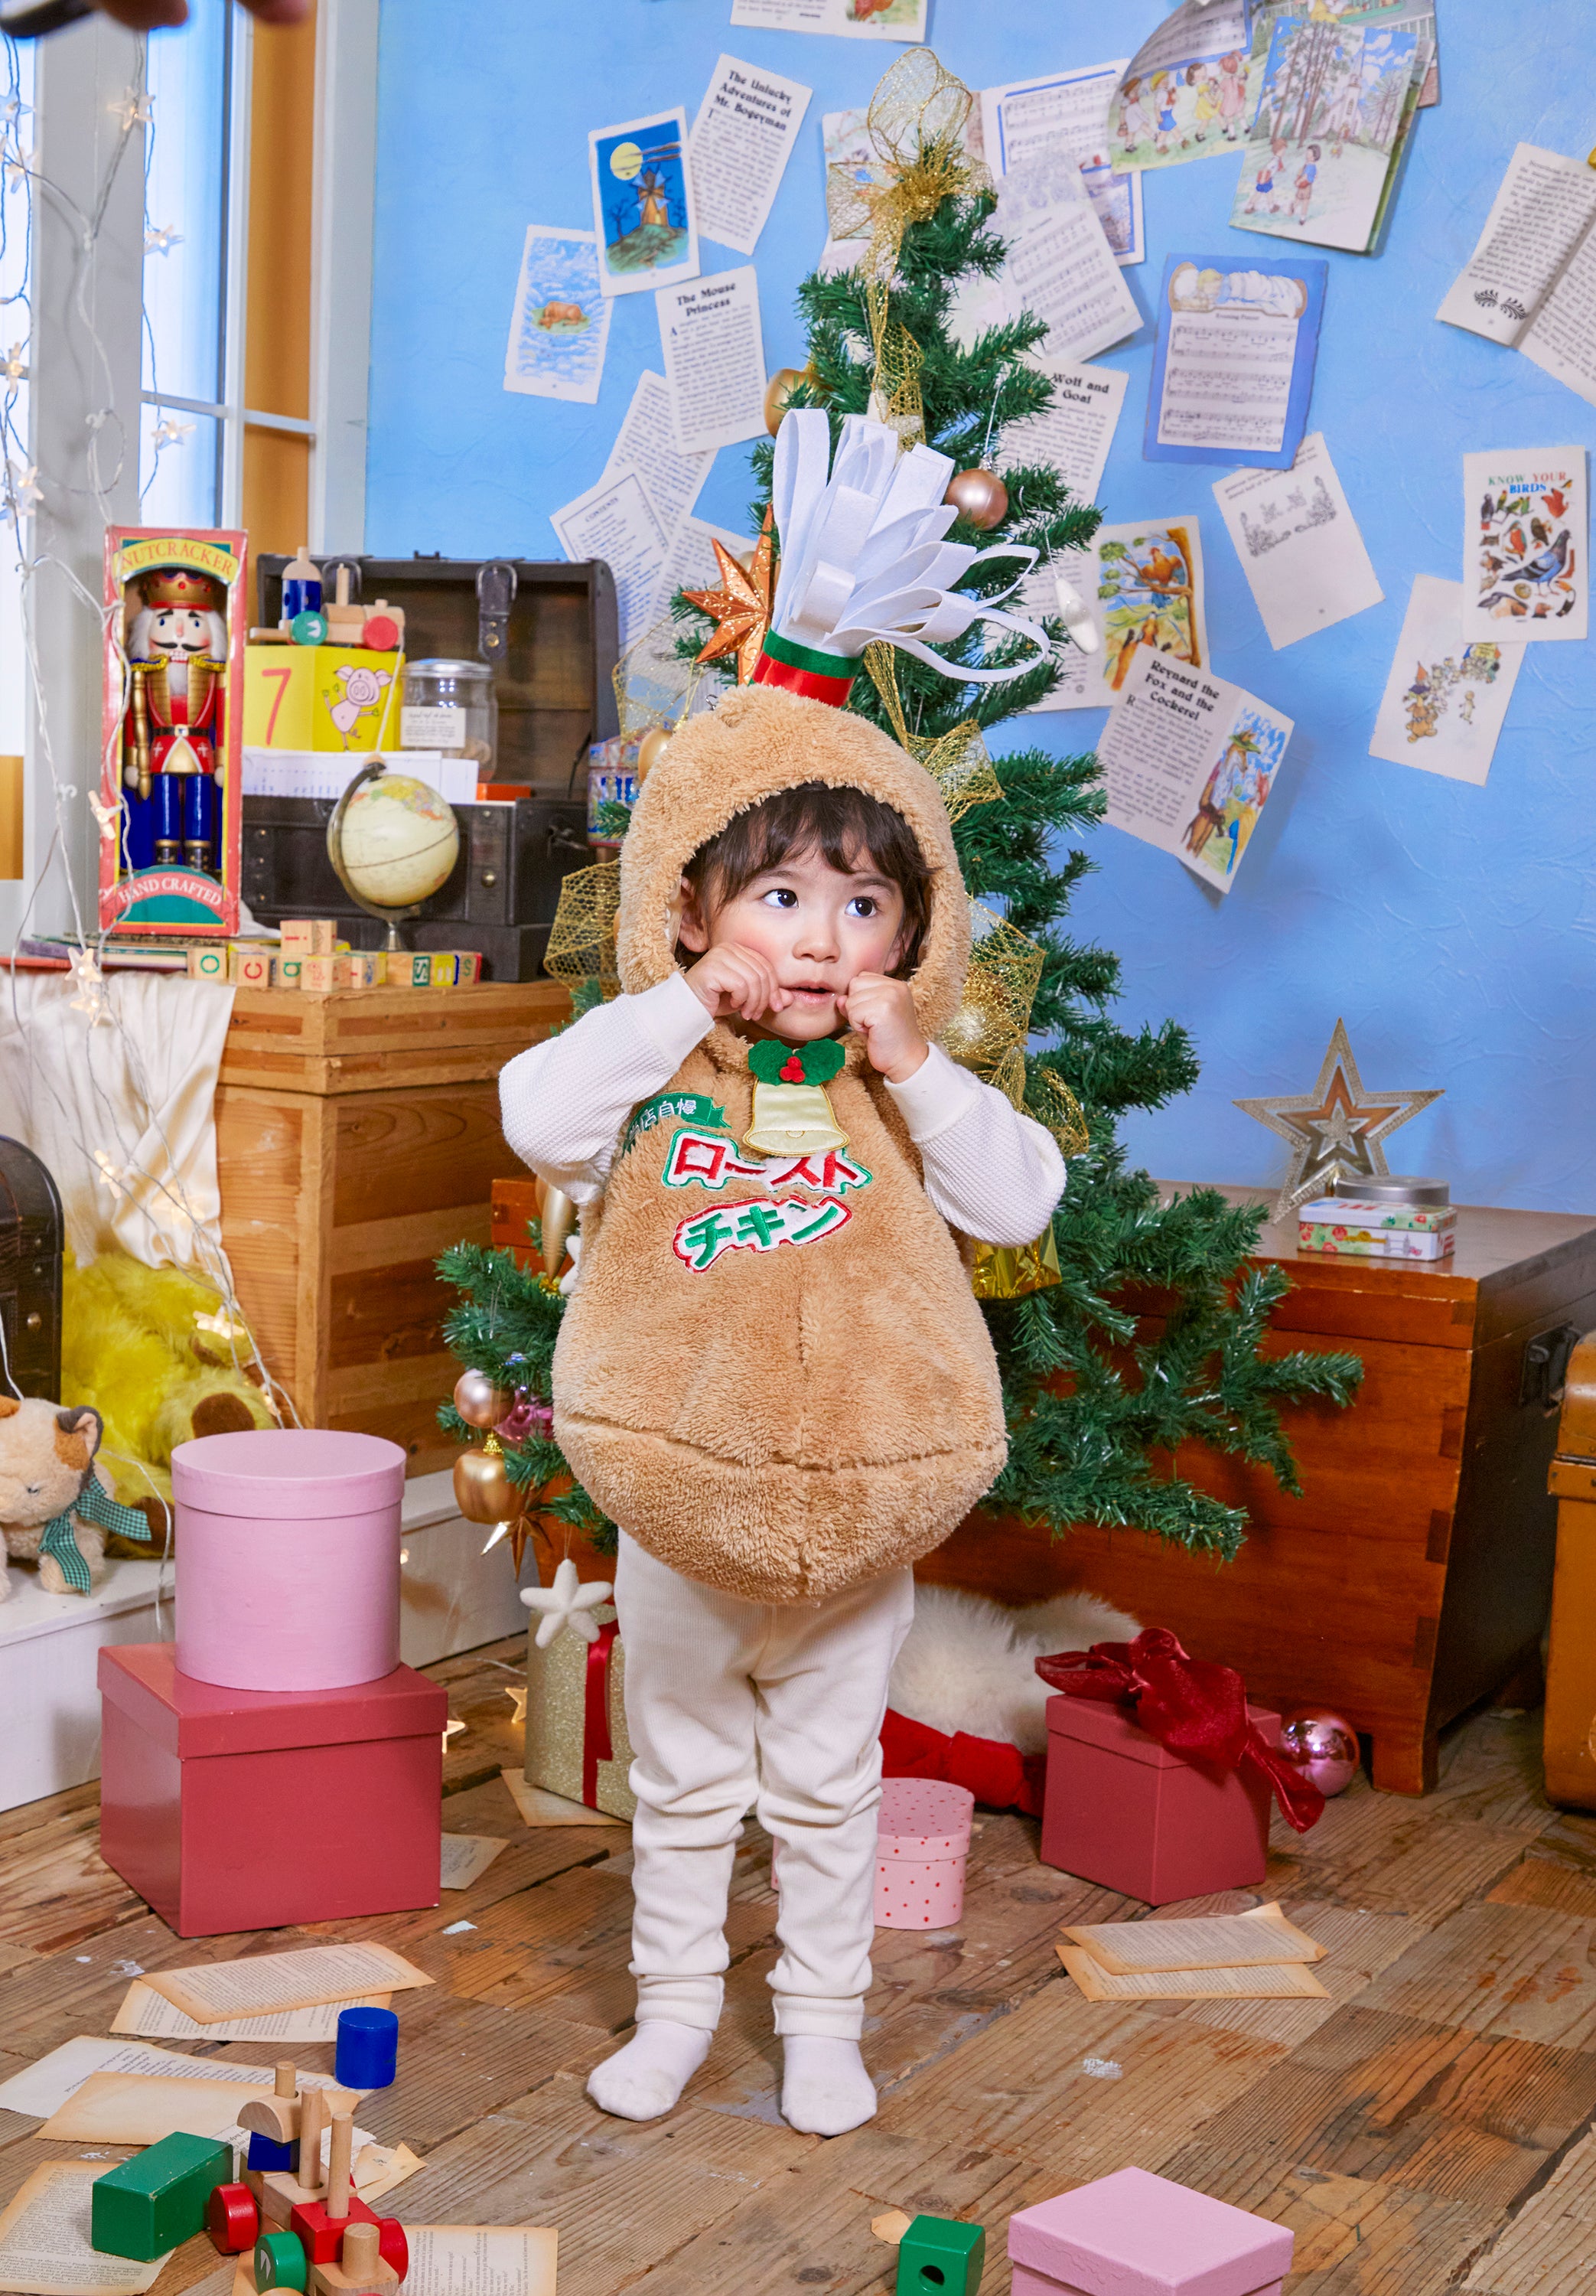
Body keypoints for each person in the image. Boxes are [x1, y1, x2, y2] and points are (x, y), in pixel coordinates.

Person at [499, 684, 1067, 2139]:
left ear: (911, 934)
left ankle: (822, 2024)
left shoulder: (899, 1093)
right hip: (688, 1509)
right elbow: (536, 1119)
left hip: (852, 1524)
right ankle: (678, 2008)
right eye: (777, 895)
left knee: (828, 1791)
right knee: (682, 1784)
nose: (819, 938)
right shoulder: (659, 1068)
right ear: (689, 911)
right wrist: (677, 1007)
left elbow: (1018, 1201)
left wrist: (916, 1065)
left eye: (863, 903)